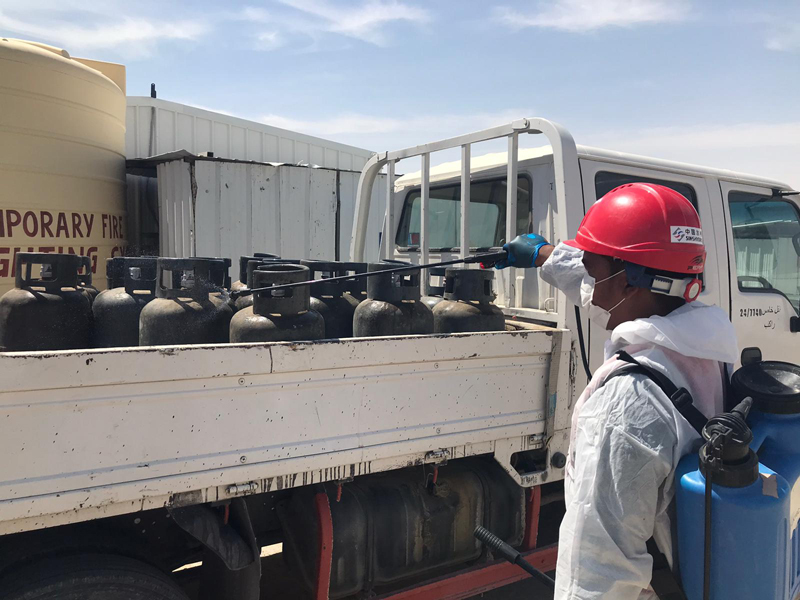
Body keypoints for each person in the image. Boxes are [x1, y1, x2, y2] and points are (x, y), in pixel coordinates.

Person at [496, 183, 738, 600]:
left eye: (592, 271)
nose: (588, 287)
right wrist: (543, 255)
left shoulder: (625, 405)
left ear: (628, 284)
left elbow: (598, 573)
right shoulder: (705, 347)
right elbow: (612, 286)